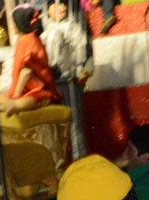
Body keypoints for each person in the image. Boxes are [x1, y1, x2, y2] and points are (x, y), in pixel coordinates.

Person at [41, 0, 93, 158]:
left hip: (69, 80)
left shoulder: (72, 27)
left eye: (63, 4)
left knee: (75, 122)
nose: (62, 8)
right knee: (55, 124)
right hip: (52, 83)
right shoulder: (47, 31)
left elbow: (81, 50)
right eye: (56, 5)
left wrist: (79, 70)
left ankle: (80, 157)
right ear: (48, 10)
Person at [0, 5, 62, 117]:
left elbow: (26, 71)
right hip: (27, 89)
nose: (12, 26)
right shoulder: (29, 39)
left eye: (14, 23)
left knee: (6, 103)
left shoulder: (26, 41)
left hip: (35, 89)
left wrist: (16, 95)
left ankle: (8, 105)